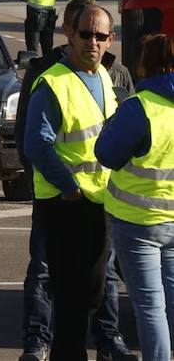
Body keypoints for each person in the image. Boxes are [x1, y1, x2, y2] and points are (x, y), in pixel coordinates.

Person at [16, 0, 137, 361]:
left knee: (92, 293)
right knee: (68, 301)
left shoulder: (103, 75)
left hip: (100, 203)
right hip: (65, 205)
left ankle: (102, 340)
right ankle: (43, 344)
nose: (93, 42)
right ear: (70, 33)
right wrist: (68, 187)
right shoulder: (53, 82)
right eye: (86, 34)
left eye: (100, 36)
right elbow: (36, 143)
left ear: (110, 38)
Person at [99, 33, 174, 361]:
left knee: (150, 306)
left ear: (145, 64)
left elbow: (107, 153)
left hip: (138, 222)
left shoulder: (139, 107)